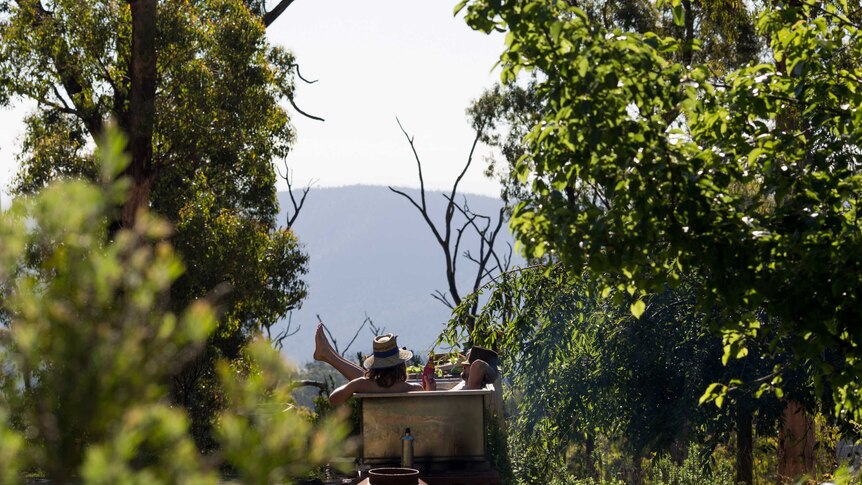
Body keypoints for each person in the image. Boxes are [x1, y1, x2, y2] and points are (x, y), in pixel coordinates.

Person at [313, 324, 497, 404]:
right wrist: (429, 393)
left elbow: (333, 399)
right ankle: (328, 354)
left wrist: (352, 386)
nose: (464, 367)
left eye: (466, 365)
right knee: (365, 380)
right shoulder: (413, 388)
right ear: (401, 365)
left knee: (365, 380)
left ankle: (329, 355)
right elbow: (428, 413)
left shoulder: (362, 385)